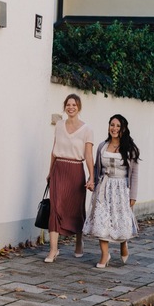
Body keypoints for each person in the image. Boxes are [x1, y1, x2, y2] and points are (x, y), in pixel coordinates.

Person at [83, 114, 140, 268]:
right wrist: (92, 181)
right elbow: (96, 168)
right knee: (101, 220)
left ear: (123, 129)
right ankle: (104, 255)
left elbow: (134, 174)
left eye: (117, 126)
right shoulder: (102, 146)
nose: (114, 128)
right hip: (104, 186)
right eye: (112, 125)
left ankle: (123, 244)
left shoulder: (130, 149)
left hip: (122, 189)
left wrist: (133, 195)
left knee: (120, 220)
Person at [44, 93, 95, 262]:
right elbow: (54, 149)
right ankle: (53, 250)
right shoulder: (59, 125)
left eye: (74, 105)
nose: (71, 107)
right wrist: (50, 172)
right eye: (68, 104)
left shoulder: (87, 129)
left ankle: (79, 241)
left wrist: (91, 177)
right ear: (65, 107)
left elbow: (88, 155)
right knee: (55, 208)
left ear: (79, 107)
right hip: (59, 169)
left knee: (75, 209)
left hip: (75, 171)